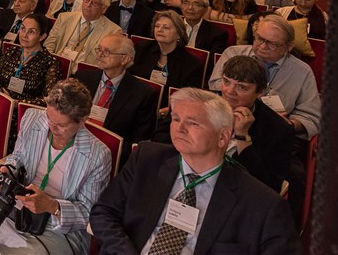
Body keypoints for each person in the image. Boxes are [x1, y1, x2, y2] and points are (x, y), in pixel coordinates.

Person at [90, 88, 299, 254]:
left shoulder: (262, 204)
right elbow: (103, 212)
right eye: (176, 119)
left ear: (223, 137)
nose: (179, 128)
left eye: (192, 123)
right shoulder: (147, 159)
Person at [0, 79, 111, 255]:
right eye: (49, 118)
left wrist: (52, 206)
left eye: (62, 125)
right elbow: (18, 156)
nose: (52, 127)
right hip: (18, 212)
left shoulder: (98, 155)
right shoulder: (34, 118)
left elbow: (88, 212)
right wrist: (8, 170)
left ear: (82, 121)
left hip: (58, 230)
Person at [153, 56, 295, 192]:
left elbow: (268, 185)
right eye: (226, 82)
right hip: (182, 175)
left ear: (260, 92)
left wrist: (242, 137)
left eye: (241, 87)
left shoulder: (278, 129)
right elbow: (159, 140)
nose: (229, 92)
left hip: (236, 193)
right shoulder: (196, 102)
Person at [208, 13, 321, 139]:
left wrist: (288, 124)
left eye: (272, 44)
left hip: (272, 135)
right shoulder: (233, 53)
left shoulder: (302, 72)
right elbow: (215, 87)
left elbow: (311, 117)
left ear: (289, 46)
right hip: (227, 125)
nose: (262, 47)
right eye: (259, 38)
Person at [72, 32, 157, 162]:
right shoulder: (83, 77)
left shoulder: (144, 94)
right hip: (72, 144)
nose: (99, 55)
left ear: (125, 59)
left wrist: (103, 153)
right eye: (99, 49)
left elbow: (137, 143)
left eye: (107, 52)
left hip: (109, 156)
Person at [129, 10, 205, 103]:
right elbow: (128, 78)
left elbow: (188, 98)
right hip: (136, 101)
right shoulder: (140, 49)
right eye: (157, 26)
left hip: (169, 108)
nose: (160, 30)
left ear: (178, 34)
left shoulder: (192, 64)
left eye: (166, 27)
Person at [0, 14, 61, 105]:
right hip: (0, 103)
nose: (24, 35)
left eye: (31, 32)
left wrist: (17, 103)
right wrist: (3, 96)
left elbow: (49, 99)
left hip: (25, 112)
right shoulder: (10, 52)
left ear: (42, 36)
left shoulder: (50, 63)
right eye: (23, 29)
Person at [44, 0, 118, 71]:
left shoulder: (113, 31)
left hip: (84, 75)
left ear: (104, 9)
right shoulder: (64, 18)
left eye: (94, 3)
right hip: (56, 68)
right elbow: (49, 45)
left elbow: (105, 61)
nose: (88, 5)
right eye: (86, 0)